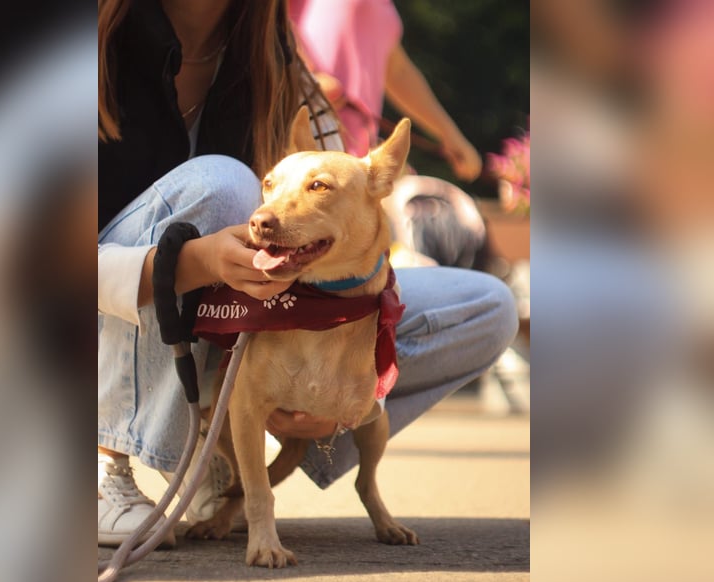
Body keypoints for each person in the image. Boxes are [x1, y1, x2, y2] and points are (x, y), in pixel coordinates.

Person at [98, 0, 517, 548]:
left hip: (261, 306)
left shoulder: (279, 61)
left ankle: (266, 440)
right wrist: (191, 263)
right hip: (95, 315)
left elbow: (347, 208)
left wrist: (352, 389)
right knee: (222, 184)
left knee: (487, 306)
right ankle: (111, 464)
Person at [288, 0, 482, 181]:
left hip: (351, 163)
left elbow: (397, 71)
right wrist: (309, 75)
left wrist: (450, 135)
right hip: (303, 158)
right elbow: (273, 20)